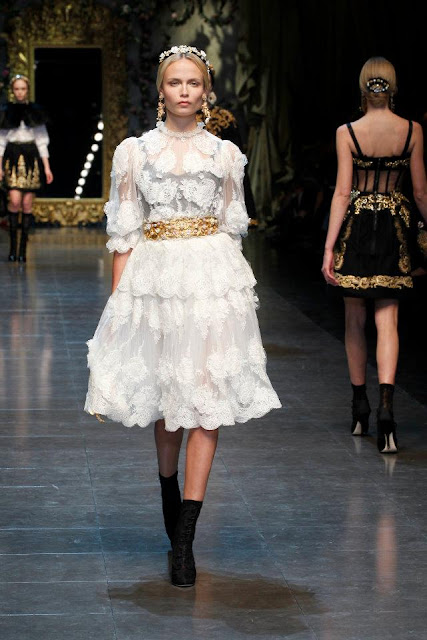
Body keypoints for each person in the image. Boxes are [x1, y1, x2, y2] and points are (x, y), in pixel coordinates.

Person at [85, 45, 281, 587]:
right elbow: (124, 232)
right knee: (168, 400)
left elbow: (233, 228)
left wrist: (234, 297)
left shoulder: (225, 155)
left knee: (206, 401)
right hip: (156, 281)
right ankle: (168, 490)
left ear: (206, 90)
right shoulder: (133, 152)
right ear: (161, 90)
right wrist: (120, 306)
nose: (185, 91)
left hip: (212, 283)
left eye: (194, 82)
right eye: (175, 82)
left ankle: (186, 540)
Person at [321, 57, 427, 454]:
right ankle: (386, 412)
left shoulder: (347, 132)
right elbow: (420, 193)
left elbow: (342, 192)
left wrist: (329, 246)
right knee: (388, 321)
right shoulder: (412, 130)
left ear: (362, 87)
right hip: (395, 231)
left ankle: (359, 407)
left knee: (354, 319)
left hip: (357, 230)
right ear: (393, 87)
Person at [0, 74, 53, 262]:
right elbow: (1, 142)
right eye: (17, 89)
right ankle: (12, 247)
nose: (20, 92)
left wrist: (47, 168)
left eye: (23, 89)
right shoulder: (6, 111)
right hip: (13, 159)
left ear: (27, 90)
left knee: (27, 204)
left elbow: (41, 142)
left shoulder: (35, 111)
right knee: (14, 201)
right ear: (12, 91)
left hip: (31, 160)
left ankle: (22, 249)